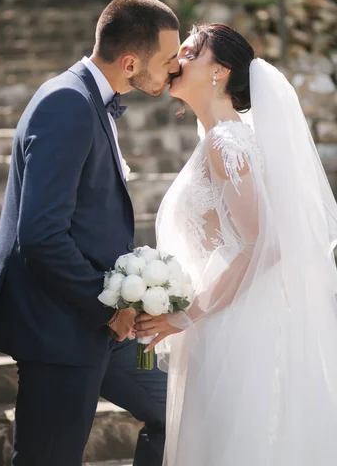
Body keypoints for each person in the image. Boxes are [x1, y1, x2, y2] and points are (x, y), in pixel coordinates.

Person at [0, 0, 181, 466]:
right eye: (167, 60)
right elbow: (42, 236)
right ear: (130, 63)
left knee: (181, 412)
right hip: (61, 326)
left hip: (101, 326)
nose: (173, 69)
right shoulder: (67, 102)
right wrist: (107, 308)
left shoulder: (90, 99)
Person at [135, 23, 337, 466]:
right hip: (222, 321)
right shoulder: (222, 137)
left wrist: (186, 314)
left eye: (188, 54)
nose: (176, 61)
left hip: (234, 330)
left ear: (219, 71)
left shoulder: (227, 142)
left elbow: (262, 242)